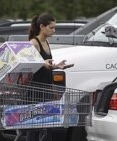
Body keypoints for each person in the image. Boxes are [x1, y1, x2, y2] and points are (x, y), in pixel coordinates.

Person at [26, 12, 73, 141]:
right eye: (51, 27)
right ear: (42, 26)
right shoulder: (34, 43)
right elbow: (27, 62)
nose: (54, 30)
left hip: (46, 88)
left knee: (47, 125)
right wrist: (42, 63)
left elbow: (46, 65)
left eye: (54, 27)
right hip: (35, 89)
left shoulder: (46, 42)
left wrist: (57, 66)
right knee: (34, 127)